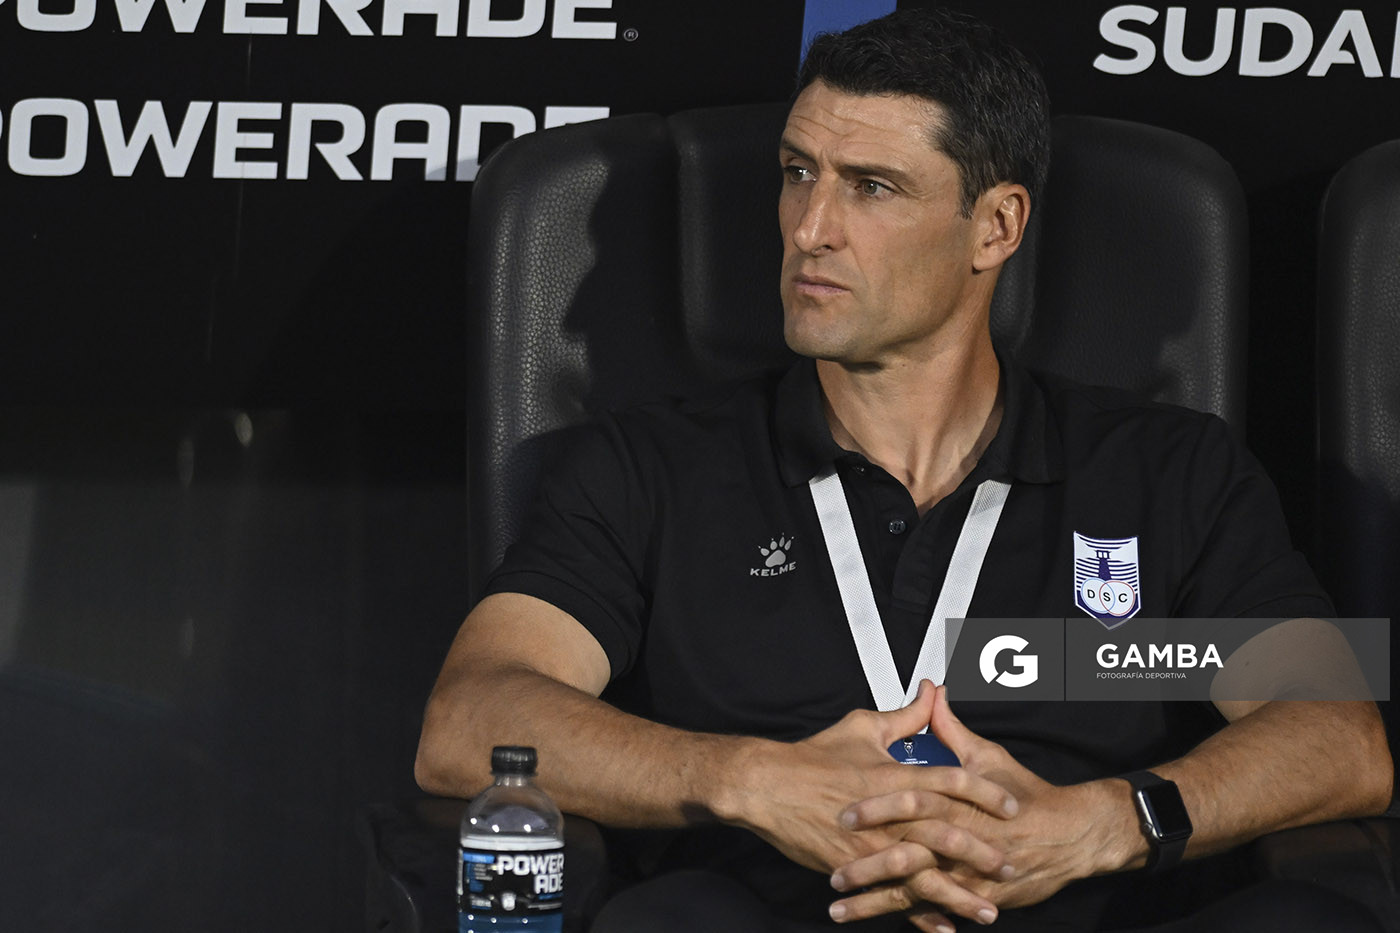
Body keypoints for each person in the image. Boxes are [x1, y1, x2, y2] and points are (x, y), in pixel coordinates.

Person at [416, 8, 1392, 931]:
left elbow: (1334, 735)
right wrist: (749, 779)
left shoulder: (1163, 471)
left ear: (995, 227)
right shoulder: (651, 468)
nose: (809, 228)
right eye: (798, 173)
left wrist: (1102, 822)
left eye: (870, 187)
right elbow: (470, 721)